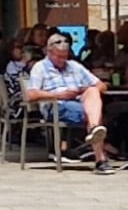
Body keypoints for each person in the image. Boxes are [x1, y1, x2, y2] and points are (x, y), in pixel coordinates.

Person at [26, 31, 114, 172]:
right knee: (95, 114)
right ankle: (100, 158)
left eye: (65, 56)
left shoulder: (74, 66)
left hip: (79, 100)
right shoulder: (40, 67)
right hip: (56, 105)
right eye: (58, 56)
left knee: (93, 91)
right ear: (49, 52)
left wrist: (82, 90)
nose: (62, 60)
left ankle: (94, 130)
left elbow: (101, 85)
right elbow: (31, 94)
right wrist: (59, 95)